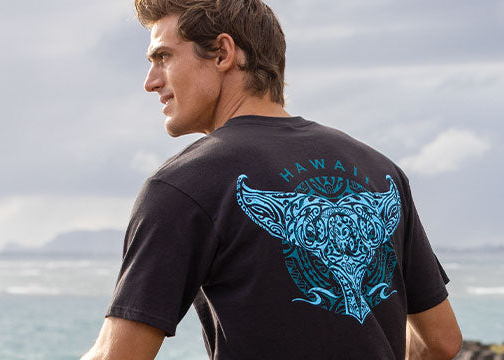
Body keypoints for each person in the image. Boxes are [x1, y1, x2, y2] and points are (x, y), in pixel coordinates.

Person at [82, 0, 461, 359]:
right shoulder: (381, 172)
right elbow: (441, 342)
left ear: (222, 53)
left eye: (163, 57)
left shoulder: (185, 186)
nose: (151, 81)